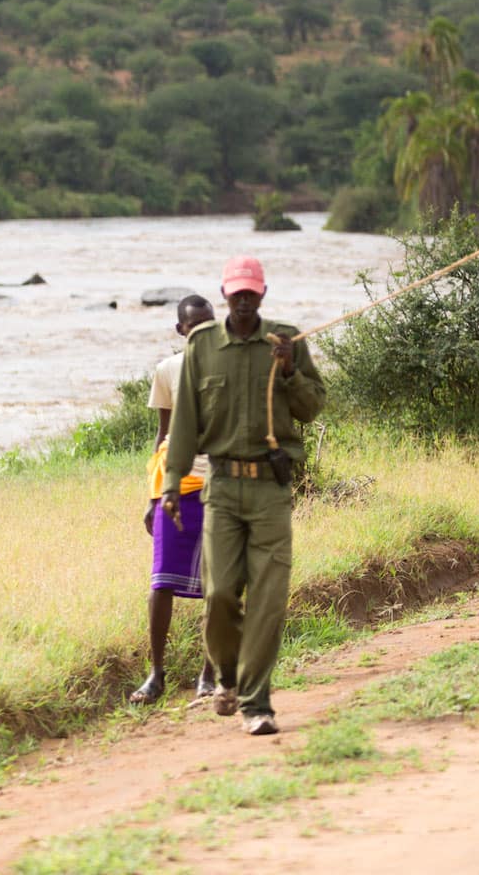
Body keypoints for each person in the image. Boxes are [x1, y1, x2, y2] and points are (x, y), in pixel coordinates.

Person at [164, 256, 325, 737]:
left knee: (269, 600)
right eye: (236, 293)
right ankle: (227, 676)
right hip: (222, 488)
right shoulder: (202, 346)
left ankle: (257, 703)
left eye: (251, 293)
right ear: (224, 295)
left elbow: (312, 407)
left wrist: (290, 369)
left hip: (271, 490)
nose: (243, 300)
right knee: (218, 594)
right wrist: (170, 485)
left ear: (263, 294)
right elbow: (186, 420)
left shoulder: (285, 340)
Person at [130, 294, 219, 705]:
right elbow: (162, 437)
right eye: (195, 325)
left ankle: (208, 673)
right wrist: (152, 495)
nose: (203, 330)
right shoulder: (167, 371)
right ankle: (156, 674)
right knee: (161, 582)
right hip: (174, 488)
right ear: (181, 330)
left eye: (209, 323)